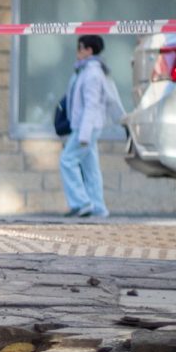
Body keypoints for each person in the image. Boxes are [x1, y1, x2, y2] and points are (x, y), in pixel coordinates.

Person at [60, 34, 123, 219]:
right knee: (90, 167)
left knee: (67, 160)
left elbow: (92, 105)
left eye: (80, 48)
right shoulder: (88, 70)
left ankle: (81, 203)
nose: (77, 52)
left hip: (86, 127)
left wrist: (84, 134)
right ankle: (97, 207)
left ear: (89, 50)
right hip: (87, 125)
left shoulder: (92, 73)